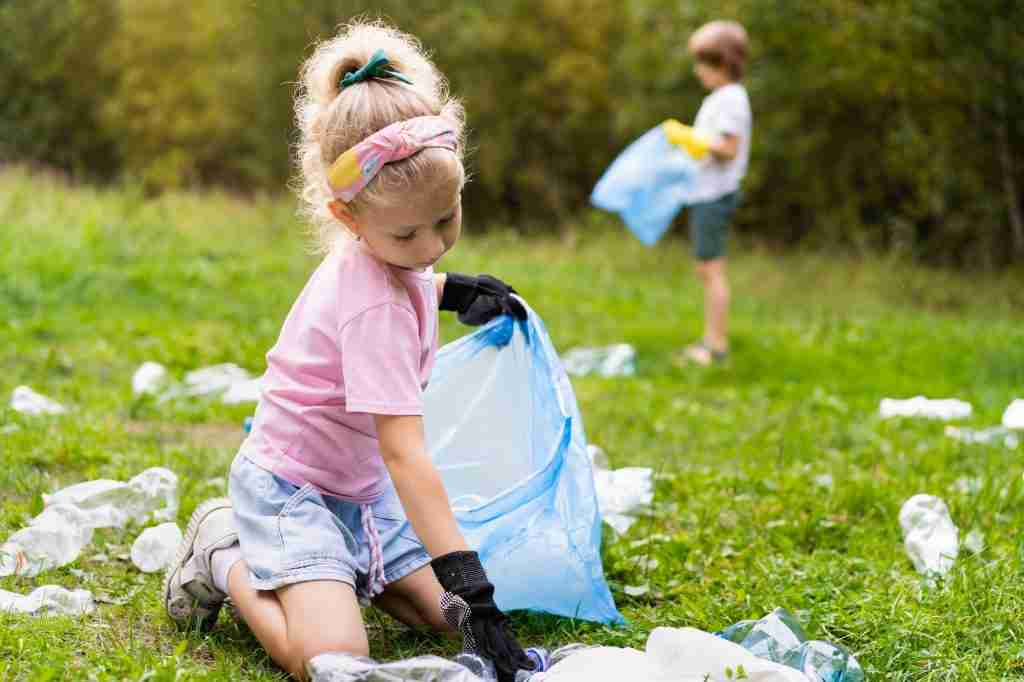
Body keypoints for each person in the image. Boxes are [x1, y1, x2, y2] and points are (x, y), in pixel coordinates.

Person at [162, 21, 534, 682]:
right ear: (348, 218)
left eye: (447, 220)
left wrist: (452, 292)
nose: (430, 248)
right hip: (293, 489)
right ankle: (223, 551)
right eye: (408, 234)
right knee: (334, 661)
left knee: (440, 617)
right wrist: (473, 584)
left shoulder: (390, 261)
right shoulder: (374, 304)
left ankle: (345, 573)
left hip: (358, 490)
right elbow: (405, 453)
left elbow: (411, 279)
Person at [674, 20, 752, 366]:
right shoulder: (721, 98)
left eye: (702, 63)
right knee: (707, 270)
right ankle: (711, 340)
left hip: (714, 195)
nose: (697, 71)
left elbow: (729, 148)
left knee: (712, 272)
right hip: (706, 193)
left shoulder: (731, 99)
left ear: (721, 63)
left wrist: (694, 140)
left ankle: (715, 345)